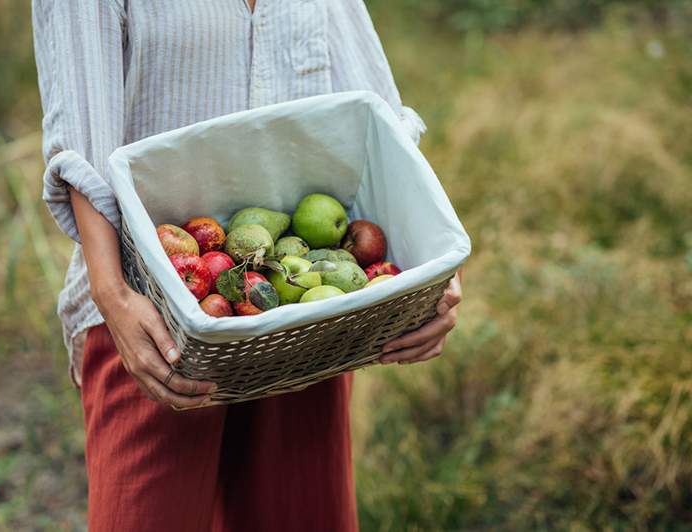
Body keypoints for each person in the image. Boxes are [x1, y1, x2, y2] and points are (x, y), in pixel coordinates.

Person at [32, 1, 462, 530]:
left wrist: (430, 269)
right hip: (154, 318)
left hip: (299, 311)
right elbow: (81, 138)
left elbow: (379, 115)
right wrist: (113, 295)